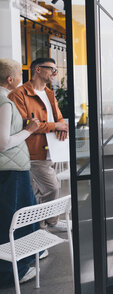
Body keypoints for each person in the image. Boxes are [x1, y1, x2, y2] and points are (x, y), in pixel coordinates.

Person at [9, 58, 69, 232]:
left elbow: (57, 118)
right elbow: (25, 124)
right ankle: (49, 223)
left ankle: (38, 226)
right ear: (37, 69)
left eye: (55, 70)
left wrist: (61, 126)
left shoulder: (49, 93)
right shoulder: (19, 95)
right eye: (51, 69)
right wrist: (54, 126)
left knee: (40, 190)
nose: (54, 74)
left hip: (53, 148)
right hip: (32, 150)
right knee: (51, 188)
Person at [0, 59, 41, 285]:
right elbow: (3, 142)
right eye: (19, 74)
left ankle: (25, 258)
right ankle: (13, 271)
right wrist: (28, 130)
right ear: (10, 79)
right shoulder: (4, 103)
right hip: (11, 171)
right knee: (11, 221)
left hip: (7, 170)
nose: (21, 78)